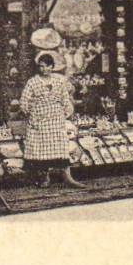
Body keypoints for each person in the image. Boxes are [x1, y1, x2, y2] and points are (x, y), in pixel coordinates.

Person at [20, 52, 86, 189]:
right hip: (39, 120)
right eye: (40, 67)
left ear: (51, 67)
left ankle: (68, 178)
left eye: (45, 66)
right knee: (41, 150)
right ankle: (45, 178)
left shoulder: (58, 82)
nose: (42, 69)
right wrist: (31, 115)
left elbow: (65, 99)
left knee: (60, 148)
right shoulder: (33, 82)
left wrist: (66, 113)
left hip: (56, 120)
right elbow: (24, 101)